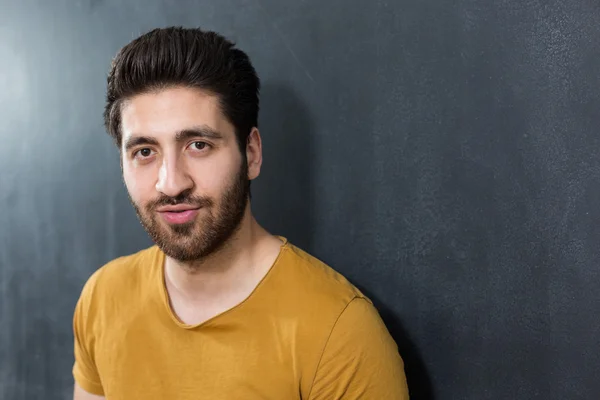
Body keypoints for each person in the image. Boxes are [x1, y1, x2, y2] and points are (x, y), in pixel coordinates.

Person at [72, 26, 409, 400]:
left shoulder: (339, 333)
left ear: (251, 153)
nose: (171, 183)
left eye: (198, 145)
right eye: (145, 152)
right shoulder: (103, 298)